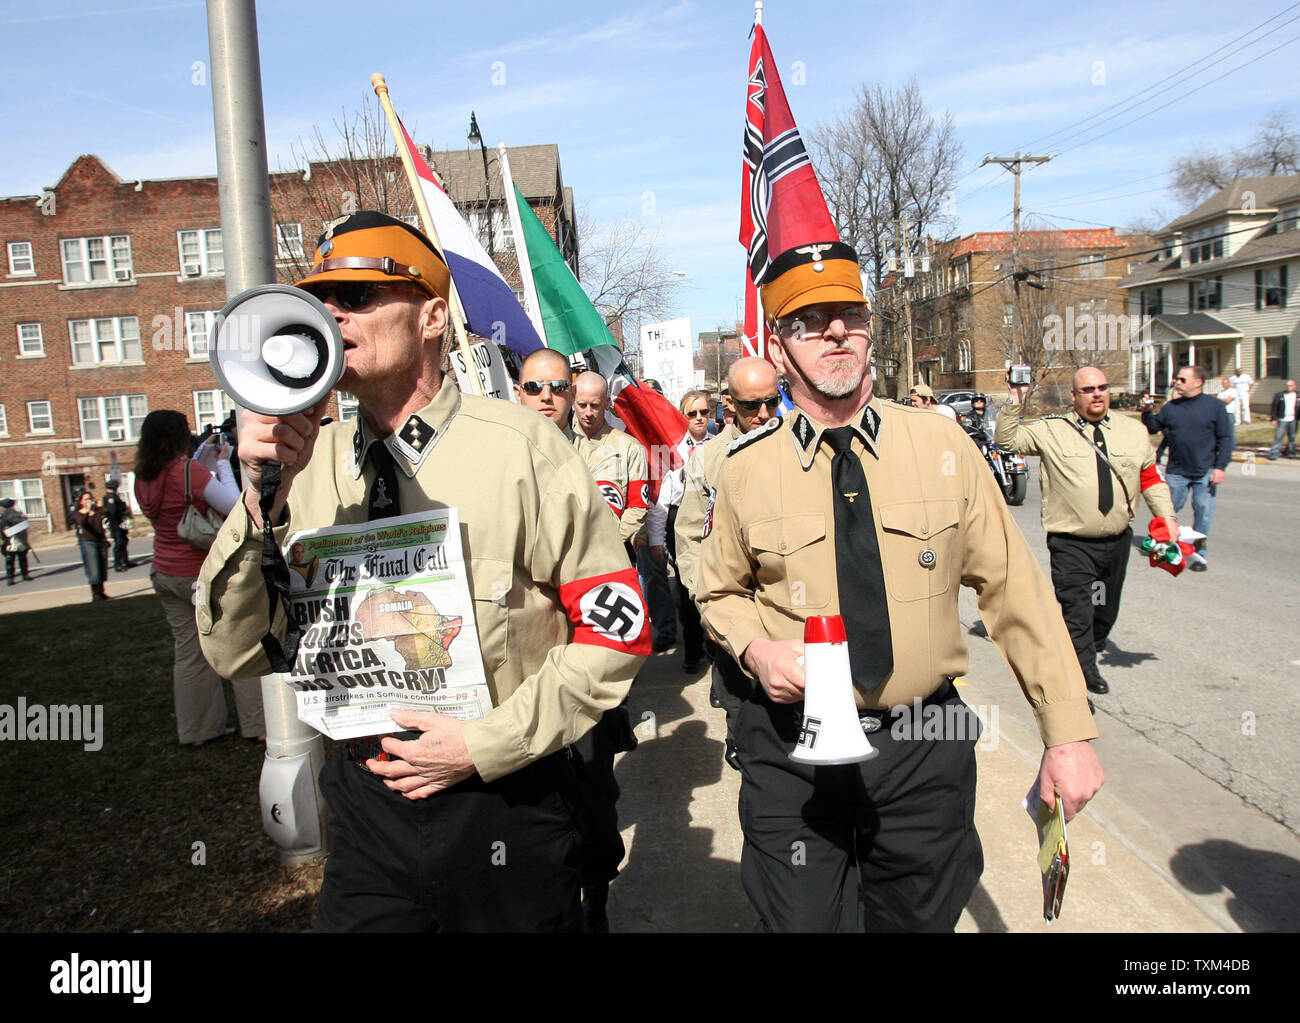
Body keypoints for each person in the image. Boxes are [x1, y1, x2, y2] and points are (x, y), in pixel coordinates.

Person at [196, 211, 648, 932]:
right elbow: (234, 649)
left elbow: (616, 633)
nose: (332, 316)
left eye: (359, 297)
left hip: (507, 804)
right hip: (368, 822)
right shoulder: (302, 467)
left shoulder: (524, 450)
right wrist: (258, 501)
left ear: (433, 315)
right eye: (322, 300)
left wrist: (482, 745)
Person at [698, 240, 1103, 933]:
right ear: (777, 343)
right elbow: (719, 593)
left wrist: (1065, 732)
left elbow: (1015, 593)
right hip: (792, 754)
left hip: (922, 743)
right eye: (809, 319)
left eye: (849, 314)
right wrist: (756, 651)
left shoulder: (943, 449)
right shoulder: (743, 471)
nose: (835, 330)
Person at [513, 346, 643, 933]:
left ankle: (597, 899)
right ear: (517, 392)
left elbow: (622, 529)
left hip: (585, 656)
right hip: (518, 666)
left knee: (593, 797)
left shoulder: (607, 456)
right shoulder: (494, 460)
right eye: (533, 386)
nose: (547, 397)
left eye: (558, 388)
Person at [996, 366, 1177, 696]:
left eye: (1102, 388)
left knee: (1104, 612)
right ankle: (1079, 680)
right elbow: (1007, 440)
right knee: (1077, 612)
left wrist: (1167, 517)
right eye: (1089, 389)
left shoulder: (1133, 431)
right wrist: (1014, 398)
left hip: (1117, 542)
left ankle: (1088, 653)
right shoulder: (1052, 430)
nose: (1097, 394)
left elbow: (1150, 478)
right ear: (1074, 396)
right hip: (1071, 544)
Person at [675, 358, 781, 771]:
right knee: (744, 717)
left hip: (790, 610)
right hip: (733, 611)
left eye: (772, 402)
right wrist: (706, 603)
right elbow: (688, 537)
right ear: (729, 404)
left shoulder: (798, 446)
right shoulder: (707, 460)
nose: (765, 415)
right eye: (753, 405)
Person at [134, 411, 261, 745]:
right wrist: (221, 463)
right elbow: (237, 508)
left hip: (164, 571)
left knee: (188, 653)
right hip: (199, 574)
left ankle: (198, 730)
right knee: (239, 641)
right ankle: (258, 724)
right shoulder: (187, 471)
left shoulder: (143, 477)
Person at [573, 371, 669, 650]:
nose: (589, 413)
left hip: (614, 554)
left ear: (607, 403)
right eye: (582, 405)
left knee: (615, 631)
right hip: (570, 554)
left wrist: (612, 540)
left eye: (595, 405)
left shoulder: (629, 448)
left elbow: (638, 505)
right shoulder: (559, 444)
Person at [1141, 366, 1234, 571]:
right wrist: (1147, 412)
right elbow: (1153, 428)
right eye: (1177, 379)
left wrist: (1220, 467)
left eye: (1182, 379)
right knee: (1167, 511)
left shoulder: (1214, 406)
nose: (1177, 382)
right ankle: (1162, 546)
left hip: (1205, 470)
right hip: (1177, 471)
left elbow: (1226, 439)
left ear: (1197, 382)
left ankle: (1198, 555)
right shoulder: (1171, 407)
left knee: (1203, 513)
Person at [647, 389, 712, 672]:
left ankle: (715, 647)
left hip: (713, 519)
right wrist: (656, 540)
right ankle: (693, 650)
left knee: (715, 584)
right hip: (680, 520)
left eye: (704, 412)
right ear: (682, 415)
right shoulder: (671, 449)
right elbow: (662, 499)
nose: (699, 418)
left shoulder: (719, 444)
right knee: (688, 587)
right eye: (692, 413)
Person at [73, 490, 111, 602]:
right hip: (88, 541)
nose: (89, 501)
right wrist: (87, 511)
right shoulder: (79, 514)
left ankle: (102, 591)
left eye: (90, 498)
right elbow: (82, 523)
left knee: (102, 567)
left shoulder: (97, 511)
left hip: (101, 540)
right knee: (93, 568)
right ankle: (95, 594)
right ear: (81, 502)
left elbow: (108, 513)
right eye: (86, 499)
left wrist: (101, 507)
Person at [1, 498, 33, 585]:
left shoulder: (9, 515)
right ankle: (23, 575)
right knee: (19, 559)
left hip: (14, 539)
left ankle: (12, 577)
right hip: (16, 539)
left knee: (12, 559)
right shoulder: (18, 514)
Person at [103, 479, 132, 571]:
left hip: (120, 522)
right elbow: (113, 512)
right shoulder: (110, 498)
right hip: (115, 523)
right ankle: (117, 564)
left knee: (124, 540)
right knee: (119, 543)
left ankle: (125, 561)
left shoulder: (114, 496)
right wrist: (123, 512)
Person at [1268, 379, 1297, 460]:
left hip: (1293, 419)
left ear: (1294, 386)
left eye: (1291, 385)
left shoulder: (1297, 395)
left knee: (1292, 437)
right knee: (1279, 437)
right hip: (1282, 419)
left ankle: (1290, 452)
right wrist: (1273, 418)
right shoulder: (1280, 395)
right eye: (1287, 385)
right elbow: (1274, 407)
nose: (1289, 387)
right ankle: (1274, 453)